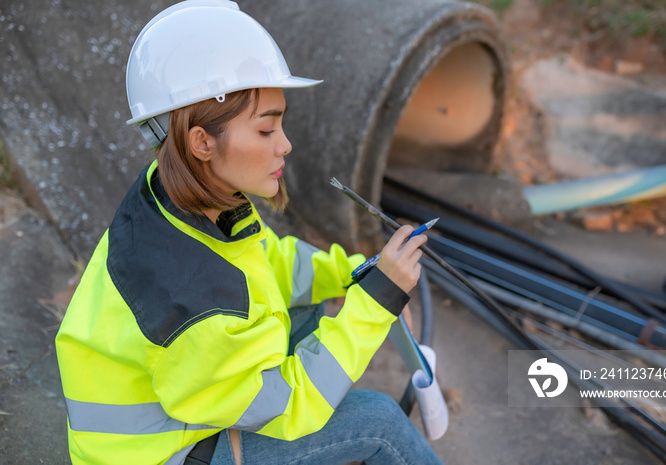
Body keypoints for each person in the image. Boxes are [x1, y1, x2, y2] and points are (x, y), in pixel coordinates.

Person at [55, 1, 445, 464]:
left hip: (174, 403)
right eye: (265, 130)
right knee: (378, 423)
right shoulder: (193, 297)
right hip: (155, 455)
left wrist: (354, 273)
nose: (285, 144)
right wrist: (376, 303)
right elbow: (289, 405)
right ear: (201, 142)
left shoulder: (180, 195)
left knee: (310, 312)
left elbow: (266, 262)